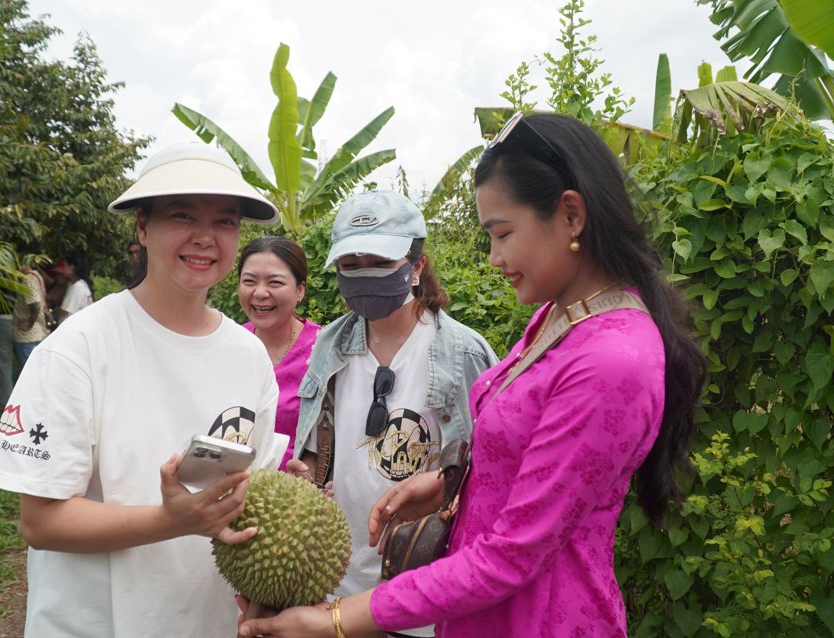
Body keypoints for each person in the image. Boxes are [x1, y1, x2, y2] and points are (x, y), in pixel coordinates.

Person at [238, 113, 706, 638]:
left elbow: (513, 554)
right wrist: (446, 486)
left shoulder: (611, 359)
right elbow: (521, 466)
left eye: (502, 233)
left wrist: (339, 621)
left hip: (540, 619)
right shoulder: (559, 319)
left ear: (571, 215)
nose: (494, 257)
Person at [0, 142, 287, 638]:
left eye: (225, 222)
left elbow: (254, 495)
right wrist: (172, 520)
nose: (206, 238)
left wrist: (265, 601)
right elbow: (41, 523)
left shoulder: (247, 356)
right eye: (183, 215)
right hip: (97, 623)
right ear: (142, 227)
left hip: (209, 619)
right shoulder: (79, 347)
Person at [286, 190, 498, 638]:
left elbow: (490, 472)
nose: (364, 275)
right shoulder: (329, 345)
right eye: (350, 264)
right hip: (336, 584)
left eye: (380, 262)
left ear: (416, 265)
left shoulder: (462, 353)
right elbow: (315, 453)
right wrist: (303, 478)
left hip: (424, 587)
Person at [237, 236, 321, 470]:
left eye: (274, 282)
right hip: (231, 492)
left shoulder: (323, 350)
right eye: (249, 281)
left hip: (297, 496)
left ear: (300, 290)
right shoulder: (230, 346)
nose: (260, 293)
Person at [12, 259, 49, 371]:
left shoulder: (28, 279)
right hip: (36, 333)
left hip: (27, 336)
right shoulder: (36, 277)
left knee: (29, 373)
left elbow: (36, 305)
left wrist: (29, 324)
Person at [55, 253, 93, 322]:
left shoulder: (78, 287)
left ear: (72, 268)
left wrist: (54, 311)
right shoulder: (75, 284)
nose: (63, 269)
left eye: (65, 266)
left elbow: (64, 311)